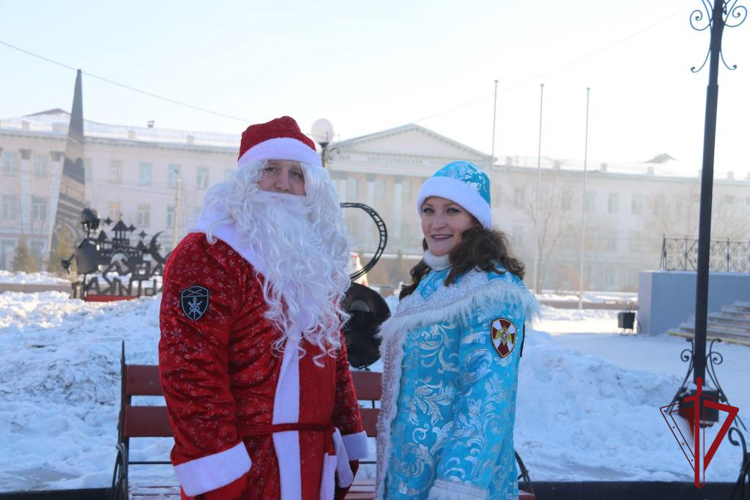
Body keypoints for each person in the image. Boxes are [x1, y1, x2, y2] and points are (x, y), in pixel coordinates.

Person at [158, 116, 368, 500]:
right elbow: (190, 370)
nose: (283, 184)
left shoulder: (313, 257)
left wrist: (348, 435)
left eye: (297, 173)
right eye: (270, 169)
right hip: (244, 467)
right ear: (246, 177)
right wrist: (218, 469)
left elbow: (332, 356)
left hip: (312, 464)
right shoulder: (209, 253)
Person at [375, 161, 539, 499]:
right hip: (407, 477)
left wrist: (457, 486)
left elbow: (489, 395)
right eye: (428, 210)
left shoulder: (493, 291)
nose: (436, 223)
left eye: (452, 210)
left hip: (452, 483)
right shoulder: (430, 280)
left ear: (475, 220)